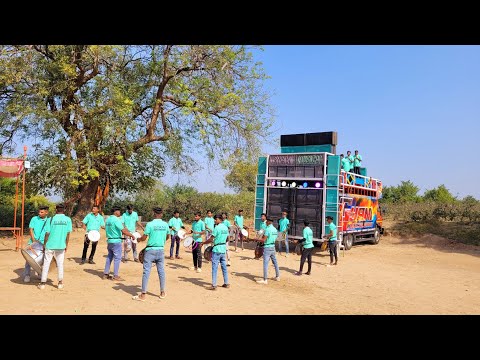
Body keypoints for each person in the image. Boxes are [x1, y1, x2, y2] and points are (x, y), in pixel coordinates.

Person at [132, 207, 169, 301]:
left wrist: (139, 239)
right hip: (160, 250)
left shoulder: (150, 224)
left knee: (146, 272)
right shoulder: (165, 224)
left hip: (150, 250)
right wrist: (161, 240)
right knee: (161, 272)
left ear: (154, 213)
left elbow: (144, 237)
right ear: (161, 214)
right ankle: (162, 292)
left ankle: (143, 295)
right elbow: (168, 236)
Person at [38, 204, 72, 290]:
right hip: (61, 245)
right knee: (60, 264)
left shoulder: (50, 219)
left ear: (56, 210)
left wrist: (44, 245)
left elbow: (47, 233)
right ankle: (60, 283)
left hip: (50, 245)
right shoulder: (68, 220)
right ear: (64, 210)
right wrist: (66, 245)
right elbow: (68, 234)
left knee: (46, 264)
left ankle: (42, 283)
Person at [103, 206, 135, 281]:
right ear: (116, 211)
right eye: (119, 211)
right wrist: (132, 235)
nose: (120, 213)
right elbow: (123, 231)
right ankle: (115, 275)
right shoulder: (116, 220)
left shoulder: (108, 220)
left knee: (109, 257)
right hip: (116, 241)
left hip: (110, 240)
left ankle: (105, 273)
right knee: (117, 258)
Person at [203, 214, 230, 291]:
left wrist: (203, 243)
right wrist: (222, 242)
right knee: (224, 267)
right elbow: (228, 238)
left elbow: (211, 239)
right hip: (223, 249)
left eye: (216, 219)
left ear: (219, 219)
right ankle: (226, 283)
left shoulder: (217, 228)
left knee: (214, 267)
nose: (215, 220)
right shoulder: (225, 227)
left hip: (217, 249)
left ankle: (214, 285)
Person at [23, 205, 49, 283]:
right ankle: (27, 275)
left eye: (42, 212)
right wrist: (33, 240)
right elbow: (31, 229)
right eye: (39, 212)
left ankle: (40, 274)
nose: (40, 213)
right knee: (29, 259)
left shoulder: (49, 221)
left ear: (46, 212)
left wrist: (46, 243)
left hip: (43, 243)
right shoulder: (34, 219)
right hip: (33, 242)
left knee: (41, 259)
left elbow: (48, 232)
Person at [256, 216, 280, 284]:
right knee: (275, 262)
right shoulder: (275, 229)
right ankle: (277, 276)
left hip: (267, 247)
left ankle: (265, 279)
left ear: (269, 222)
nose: (266, 222)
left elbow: (263, 240)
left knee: (265, 264)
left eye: (267, 221)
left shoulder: (267, 230)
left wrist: (257, 239)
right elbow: (276, 237)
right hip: (273, 247)